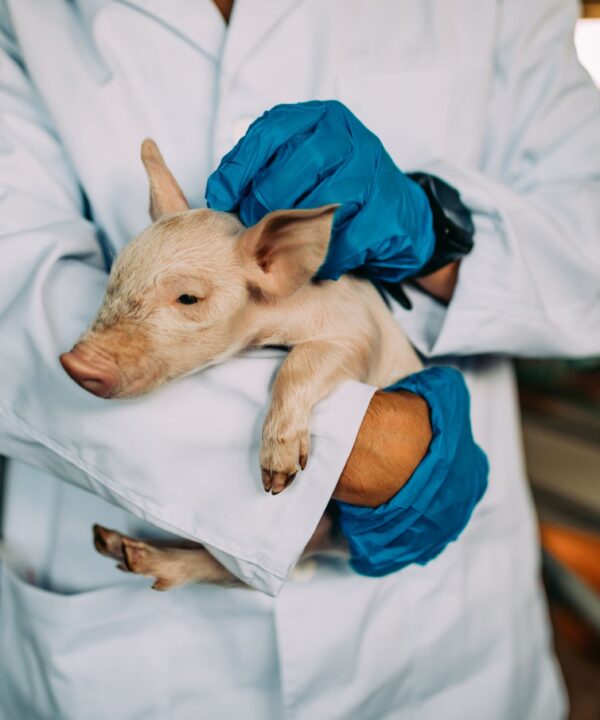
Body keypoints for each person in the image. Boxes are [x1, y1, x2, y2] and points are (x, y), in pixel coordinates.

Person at [0, 1, 597, 718]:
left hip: (443, 653)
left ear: (281, 255)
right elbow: (15, 286)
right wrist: (366, 446)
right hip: (130, 664)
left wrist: (432, 225)